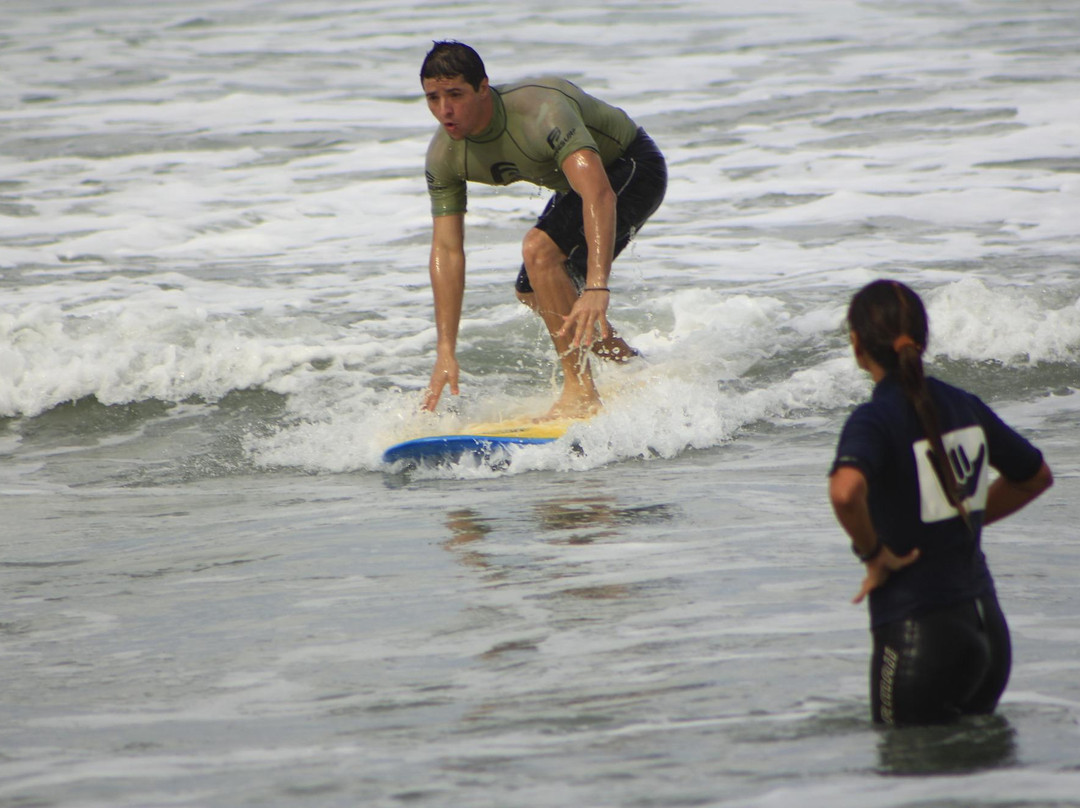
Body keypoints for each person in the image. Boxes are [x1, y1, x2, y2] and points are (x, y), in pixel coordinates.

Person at [829, 280, 1052, 726]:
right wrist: (965, 516)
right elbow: (1034, 477)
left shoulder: (874, 418)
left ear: (857, 344)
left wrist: (874, 554)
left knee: (905, 778)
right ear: (922, 338)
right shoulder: (962, 404)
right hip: (987, 628)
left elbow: (845, 491)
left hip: (919, 632)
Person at [418, 41, 667, 418]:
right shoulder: (445, 156)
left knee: (540, 251)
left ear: (483, 87)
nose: (444, 110)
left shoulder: (542, 111)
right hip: (580, 188)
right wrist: (445, 351)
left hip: (633, 167)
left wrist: (598, 285)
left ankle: (581, 393)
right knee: (534, 291)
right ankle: (631, 367)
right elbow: (447, 250)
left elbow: (598, 193)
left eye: (455, 94)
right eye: (433, 98)